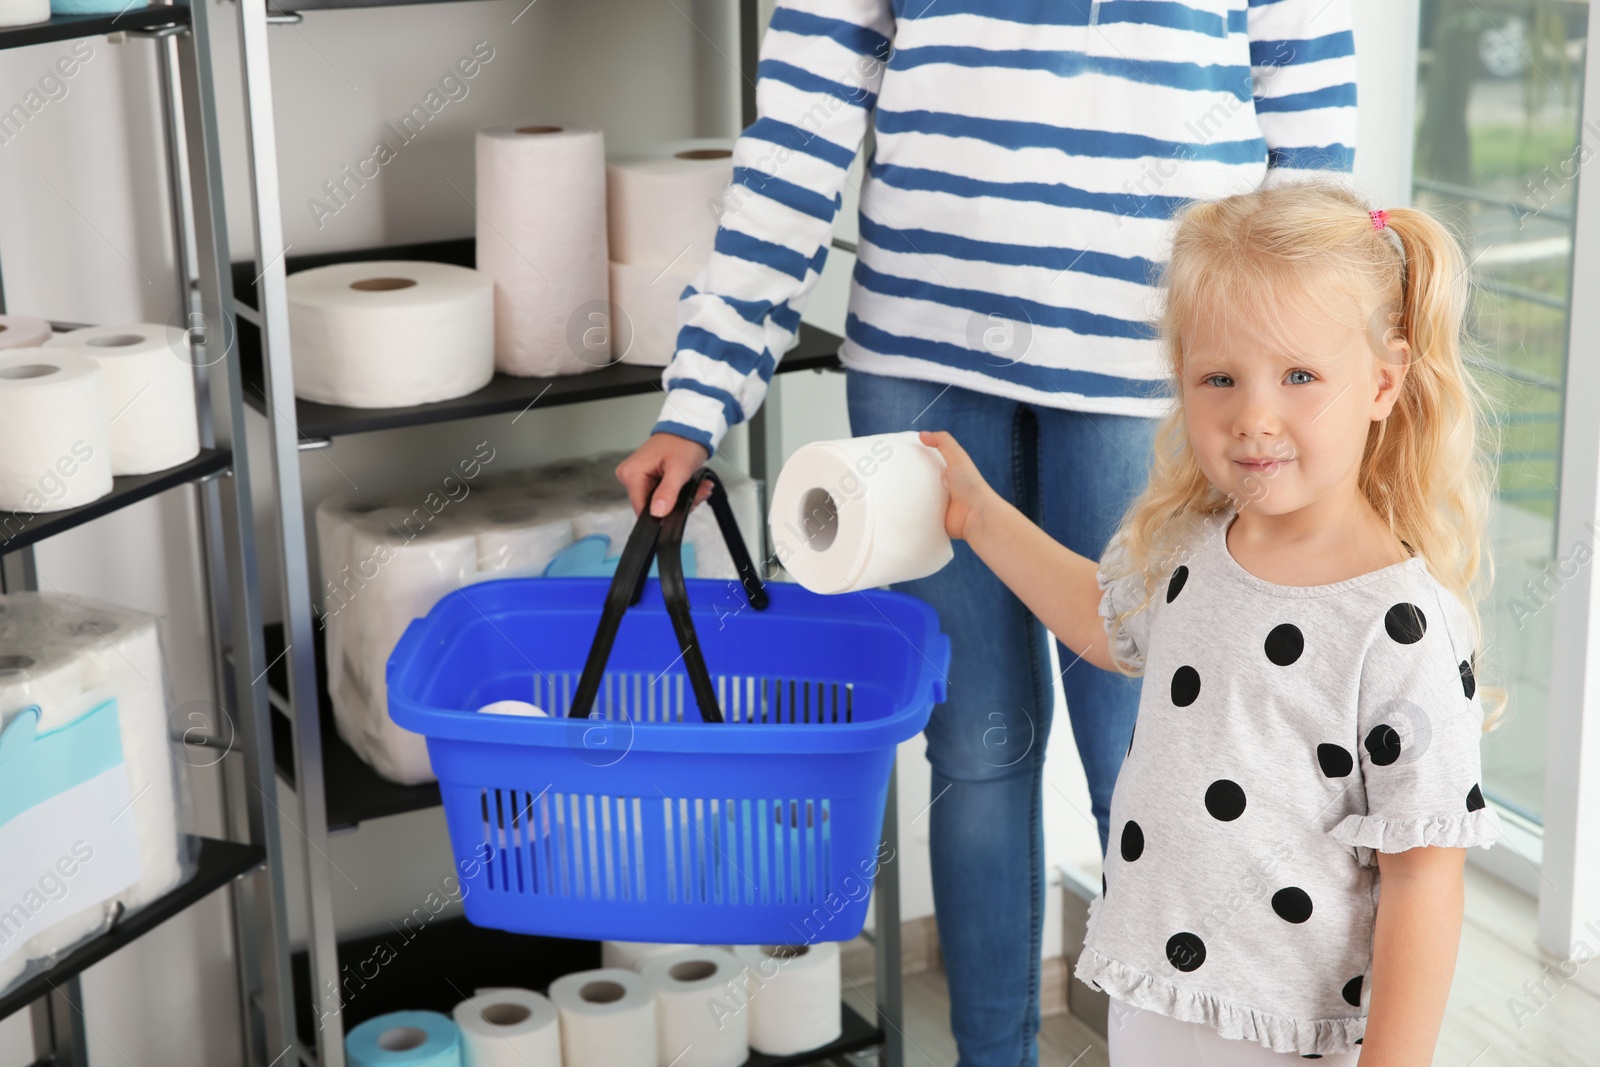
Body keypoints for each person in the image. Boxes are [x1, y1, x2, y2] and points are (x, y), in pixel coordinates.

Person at [616, 3, 1358, 1062]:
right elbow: (797, 133)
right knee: (973, 746)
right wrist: (701, 395)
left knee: (1153, 761)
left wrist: (1292, 398)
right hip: (923, 355)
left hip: (1156, 368)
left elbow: (1313, 152)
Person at [918, 180, 1506, 1063]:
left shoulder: (1401, 624)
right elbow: (1100, 616)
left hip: (1285, 1027)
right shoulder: (1192, 543)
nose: (1253, 416)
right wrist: (979, 514)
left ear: (1383, 383)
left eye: (1299, 376)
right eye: (1218, 377)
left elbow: (1425, 873)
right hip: (1154, 990)